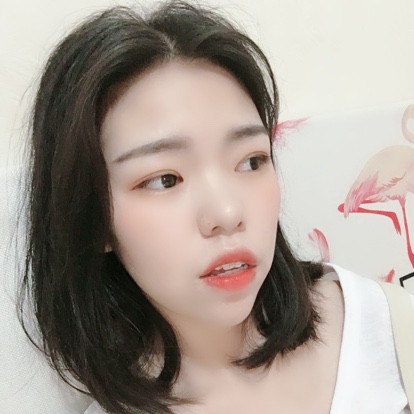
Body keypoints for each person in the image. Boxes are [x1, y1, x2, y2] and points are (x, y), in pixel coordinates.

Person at [18, 1, 411, 413]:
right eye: (165, 179)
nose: (227, 214)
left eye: (251, 161)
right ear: (93, 218)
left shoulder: (387, 328)